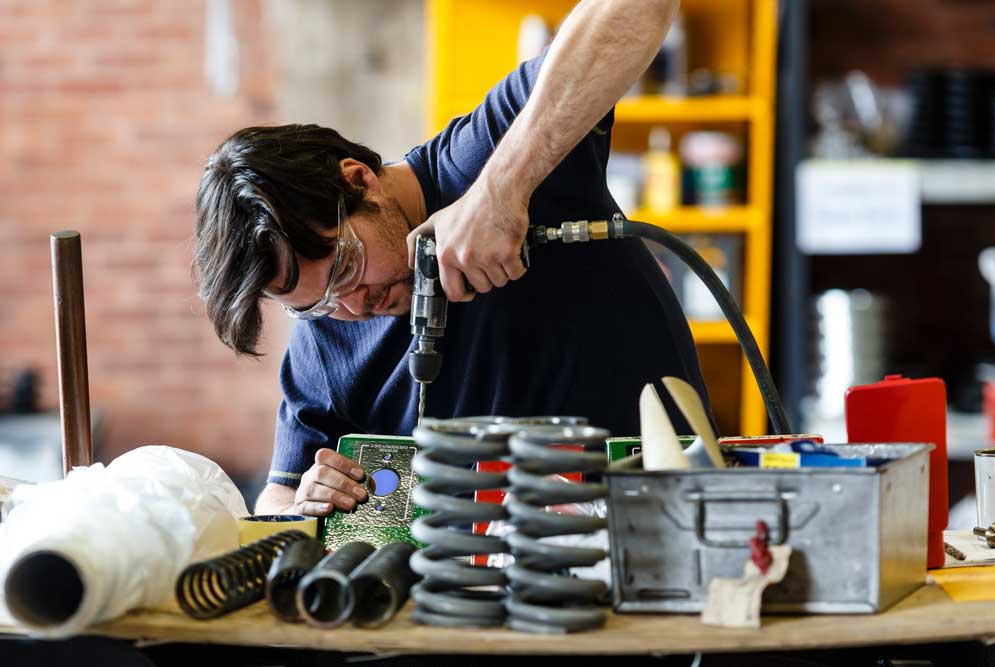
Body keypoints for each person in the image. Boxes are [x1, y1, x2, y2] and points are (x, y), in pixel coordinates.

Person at [194, 0, 711, 518]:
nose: (354, 308)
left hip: (652, 524)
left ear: (358, 179)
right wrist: (303, 504)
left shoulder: (482, 157)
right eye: (314, 304)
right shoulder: (325, 339)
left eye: (346, 268)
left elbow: (640, 8)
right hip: (458, 588)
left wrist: (504, 188)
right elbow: (276, 499)